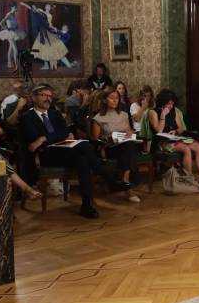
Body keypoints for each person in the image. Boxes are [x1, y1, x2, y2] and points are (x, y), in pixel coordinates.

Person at [20, 84, 131, 219]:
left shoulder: (54, 113)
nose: (48, 99)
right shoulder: (27, 116)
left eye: (50, 96)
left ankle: (86, 206)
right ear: (34, 97)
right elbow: (33, 137)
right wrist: (50, 138)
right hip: (46, 154)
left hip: (64, 150)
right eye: (44, 95)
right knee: (85, 147)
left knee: (83, 159)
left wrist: (44, 137)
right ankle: (108, 178)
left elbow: (65, 132)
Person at [147, 89, 199, 190]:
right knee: (186, 149)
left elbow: (181, 128)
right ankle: (189, 179)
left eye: (172, 103)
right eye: (168, 104)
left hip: (175, 138)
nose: (171, 106)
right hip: (163, 142)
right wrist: (163, 115)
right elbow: (159, 130)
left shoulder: (174, 110)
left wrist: (175, 131)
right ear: (162, 102)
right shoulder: (153, 112)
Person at [91, 87, 142, 203]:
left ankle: (125, 181)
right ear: (104, 100)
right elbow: (95, 139)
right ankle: (128, 186)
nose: (115, 100)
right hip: (109, 147)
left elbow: (129, 131)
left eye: (117, 98)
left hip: (124, 146)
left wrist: (130, 132)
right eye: (112, 98)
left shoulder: (124, 115)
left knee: (129, 145)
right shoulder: (98, 117)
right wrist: (109, 138)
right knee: (129, 148)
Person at [19, 2, 70, 70]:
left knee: (55, 47)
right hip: (43, 33)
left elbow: (49, 24)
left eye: (49, 6)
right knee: (42, 48)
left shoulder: (50, 15)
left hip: (49, 32)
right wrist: (24, 5)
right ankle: (46, 65)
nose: (48, 7)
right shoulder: (41, 12)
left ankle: (65, 64)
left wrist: (54, 29)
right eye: (47, 6)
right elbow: (32, 9)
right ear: (45, 7)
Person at [0, 5, 27, 70]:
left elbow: (14, 23)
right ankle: (17, 66)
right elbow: (1, 23)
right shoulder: (9, 14)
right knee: (15, 50)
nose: (16, 9)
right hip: (10, 33)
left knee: (11, 48)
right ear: (12, 8)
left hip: (14, 32)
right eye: (15, 8)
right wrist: (6, 28)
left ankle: (9, 63)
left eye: (16, 8)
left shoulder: (14, 14)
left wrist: (16, 26)